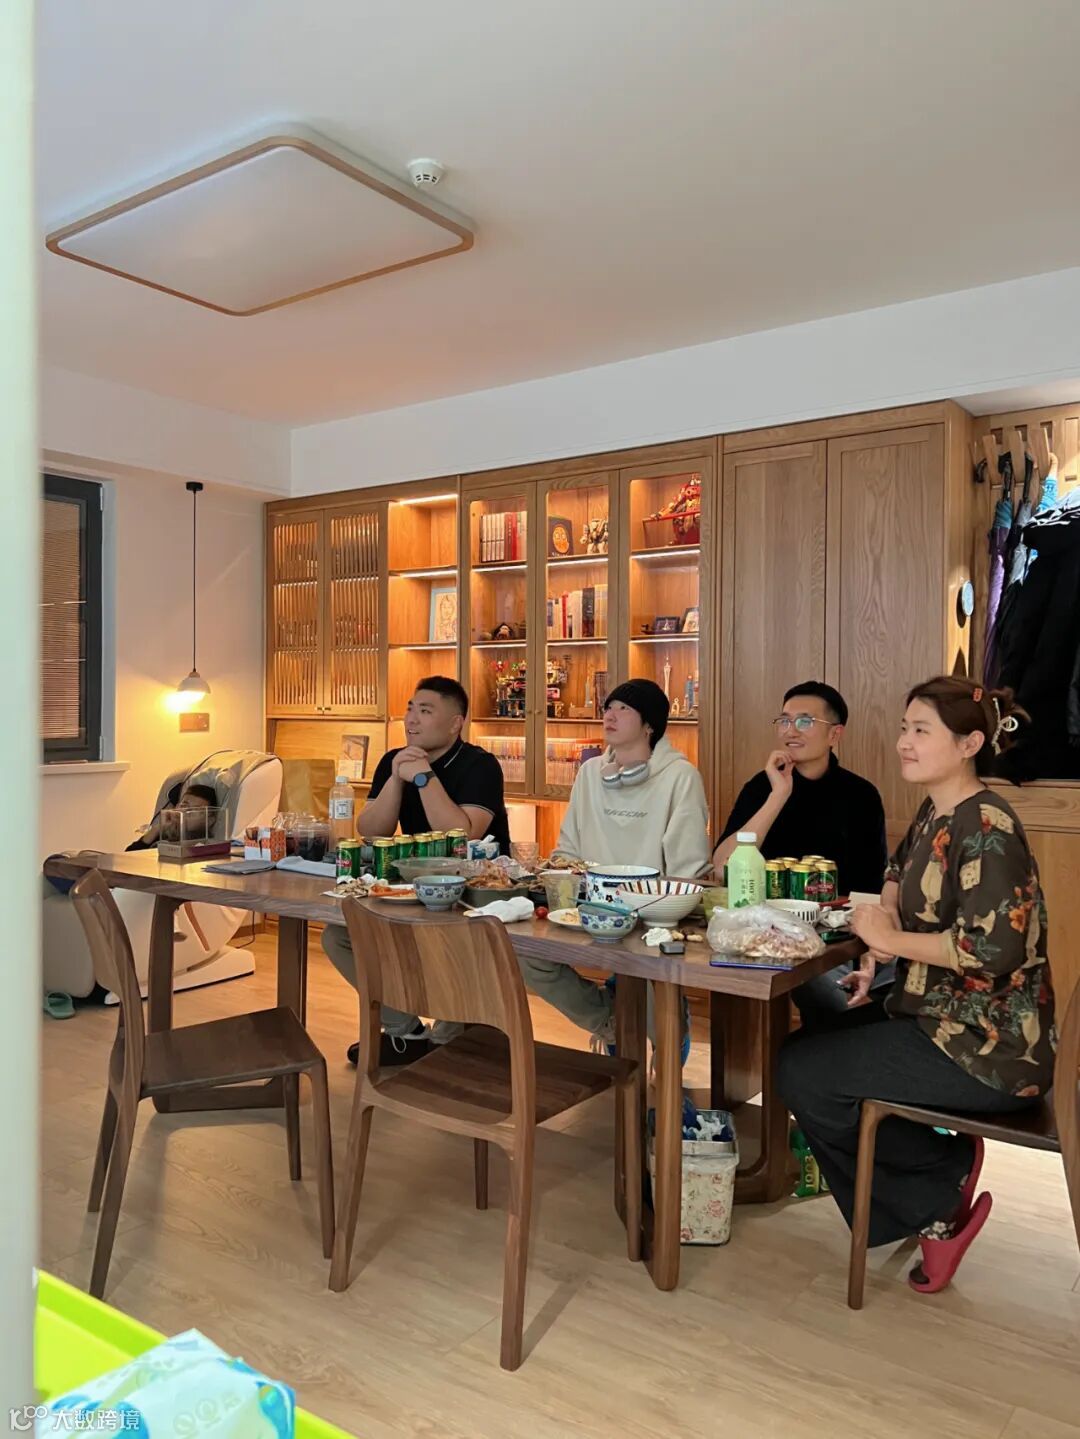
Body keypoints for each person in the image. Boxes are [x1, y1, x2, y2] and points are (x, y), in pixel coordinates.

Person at [776, 676, 1056, 1294]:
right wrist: (880, 940)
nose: (904, 741)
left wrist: (892, 940)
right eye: (905, 728)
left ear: (969, 744)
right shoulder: (938, 809)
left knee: (805, 1073)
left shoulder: (987, 827)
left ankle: (937, 1186)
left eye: (921, 731)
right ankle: (931, 1178)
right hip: (934, 1011)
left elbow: (992, 951)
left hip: (990, 1044)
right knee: (812, 1040)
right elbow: (896, 871)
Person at [321, 676, 510, 1066]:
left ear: (455, 723)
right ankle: (405, 1031)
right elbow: (372, 830)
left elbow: (462, 835)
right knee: (339, 935)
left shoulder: (481, 765)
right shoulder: (395, 760)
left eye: (425, 711)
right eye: (410, 709)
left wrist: (424, 777)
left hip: (474, 895)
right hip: (413, 889)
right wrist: (396, 776)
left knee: (451, 947)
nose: (411, 719)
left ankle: (450, 1037)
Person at [545, 678, 712, 1051]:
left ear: (649, 724)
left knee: (661, 1030)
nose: (610, 715)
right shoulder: (590, 773)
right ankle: (608, 1019)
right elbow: (567, 849)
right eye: (608, 707)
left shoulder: (680, 776)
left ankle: (665, 1048)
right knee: (527, 957)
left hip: (653, 917)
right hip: (589, 910)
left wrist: (659, 911)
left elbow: (688, 867)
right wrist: (561, 878)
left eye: (624, 709)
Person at [713, 681, 889, 1023]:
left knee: (848, 1005)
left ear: (835, 734)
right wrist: (778, 795)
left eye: (805, 721)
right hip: (765, 935)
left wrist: (867, 954)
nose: (790, 731)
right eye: (784, 720)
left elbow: (871, 887)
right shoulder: (761, 787)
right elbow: (723, 867)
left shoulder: (860, 796)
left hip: (837, 937)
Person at [126, 782, 218, 850]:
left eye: (195, 809)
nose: (186, 811)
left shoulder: (205, 844)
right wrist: (157, 829)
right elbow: (129, 856)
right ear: (176, 807)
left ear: (210, 820)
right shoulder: (164, 834)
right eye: (184, 805)